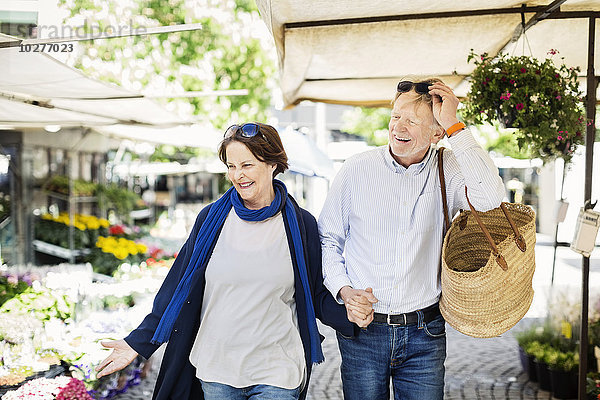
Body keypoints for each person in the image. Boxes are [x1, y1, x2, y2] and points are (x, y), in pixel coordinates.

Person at [95, 123, 363, 400]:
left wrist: (355, 315)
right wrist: (137, 343)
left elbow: (316, 292)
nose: (238, 175)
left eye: (247, 165)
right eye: (231, 166)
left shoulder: (300, 223)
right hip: (218, 369)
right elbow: (177, 287)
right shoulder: (212, 219)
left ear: (272, 163)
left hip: (278, 368)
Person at [318, 79, 506, 400]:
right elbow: (328, 239)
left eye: (413, 121)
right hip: (364, 331)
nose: (398, 127)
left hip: (425, 331)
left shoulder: (449, 167)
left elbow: (490, 199)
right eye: (395, 117)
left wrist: (455, 127)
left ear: (436, 134)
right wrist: (344, 291)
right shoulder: (356, 170)